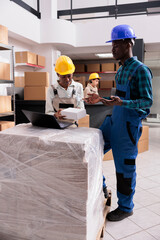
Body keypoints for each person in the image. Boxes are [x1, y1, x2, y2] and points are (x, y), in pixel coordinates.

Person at [84, 24, 153, 221]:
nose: (112, 48)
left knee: (124, 170)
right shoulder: (121, 70)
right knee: (91, 152)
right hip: (113, 121)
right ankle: (102, 186)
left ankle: (125, 207)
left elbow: (147, 102)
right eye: (112, 44)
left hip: (128, 128)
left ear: (128, 43)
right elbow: (118, 99)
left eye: (116, 44)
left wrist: (124, 102)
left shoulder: (141, 70)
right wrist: (101, 100)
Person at [45, 55, 84, 119]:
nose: (67, 79)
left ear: (72, 73)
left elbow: (81, 109)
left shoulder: (78, 87)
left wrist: (75, 112)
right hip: (57, 124)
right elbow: (48, 112)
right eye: (63, 77)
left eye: (69, 76)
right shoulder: (51, 89)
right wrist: (55, 115)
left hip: (74, 124)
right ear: (58, 74)